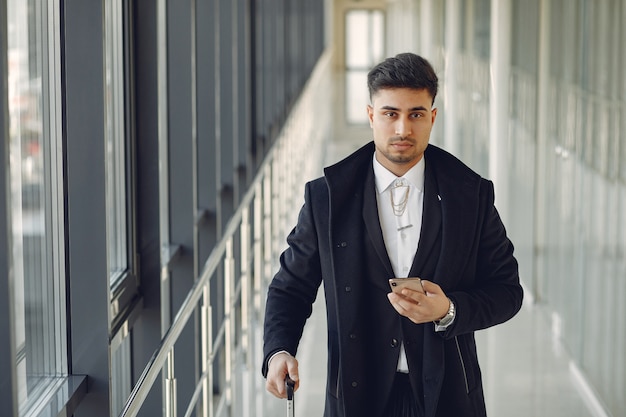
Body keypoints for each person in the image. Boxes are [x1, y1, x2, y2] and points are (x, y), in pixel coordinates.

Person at [262, 52, 523, 417]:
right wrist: (279, 351)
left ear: (432, 117)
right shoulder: (327, 197)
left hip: (447, 396)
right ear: (371, 115)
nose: (403, 129)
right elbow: (291, 286)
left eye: (416, 114)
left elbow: (507, 291)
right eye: (390, 113)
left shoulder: (471, 194)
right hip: (357, 395)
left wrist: (448, 310)